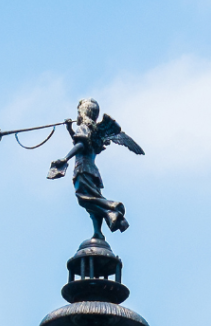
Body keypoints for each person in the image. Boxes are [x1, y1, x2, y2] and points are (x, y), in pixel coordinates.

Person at [48, 99, 143, 238]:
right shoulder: (93, 130)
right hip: (92, 170)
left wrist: (65, 158)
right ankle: (98, 232)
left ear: (83, 112)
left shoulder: (83, 127)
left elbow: (80, 144)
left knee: (83, 198)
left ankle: (113, 207)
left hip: (82, 168)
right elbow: (83, 143)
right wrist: (69, 129)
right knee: (92, 205)